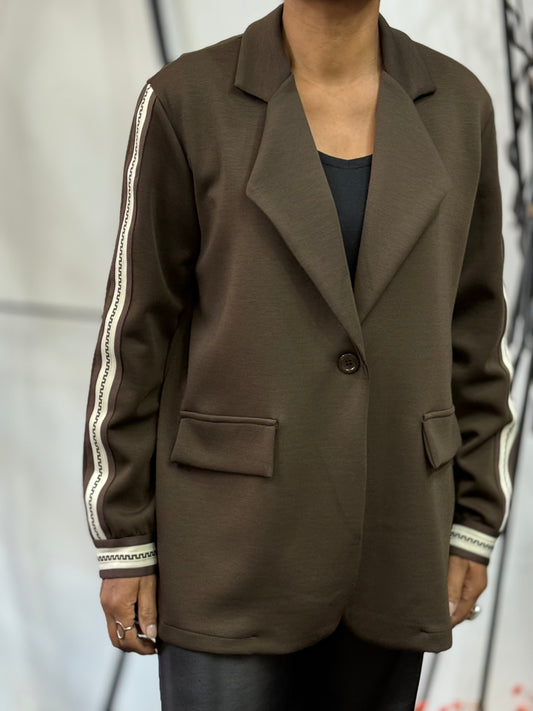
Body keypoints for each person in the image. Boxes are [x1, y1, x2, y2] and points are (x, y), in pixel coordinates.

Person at [82, 1, 517, 708]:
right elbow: (135, 331)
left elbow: (475, 329)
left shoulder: (459, 105)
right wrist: (122, 534)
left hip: (396, 529)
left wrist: (474, 520)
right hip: (229, 545)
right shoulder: (187, 100)